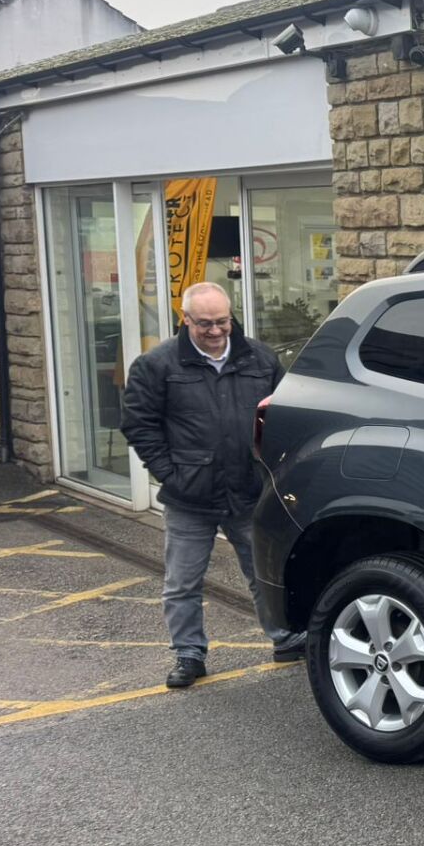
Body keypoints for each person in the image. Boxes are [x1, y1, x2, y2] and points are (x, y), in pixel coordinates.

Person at [121, 282, 302, 689]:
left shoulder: (260, 357)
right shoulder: (157, 365)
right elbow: (138, 423)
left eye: (223, 321)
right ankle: (188, 654)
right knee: (182, 582)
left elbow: (283, 415)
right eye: (205, 323)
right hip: (190, 496)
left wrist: (272, 467)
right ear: (185, 320)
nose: (217, 330)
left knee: (263, 571)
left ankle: (284, 637)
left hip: (248, 489)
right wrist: (172, 473)